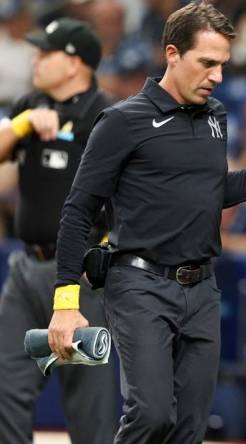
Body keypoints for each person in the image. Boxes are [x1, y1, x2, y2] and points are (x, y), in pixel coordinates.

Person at [47, 3, 246, 442]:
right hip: (140, 285)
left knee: (191, 427)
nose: (217, 77)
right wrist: (65, 300)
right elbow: (78, 210)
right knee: (152, 415)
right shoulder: (122, 121)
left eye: (223, 66)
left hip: (203, 289)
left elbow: (215, 192)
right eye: (207, 64)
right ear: (172, 54)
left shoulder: (216, 117)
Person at [0, 17, 117, 444]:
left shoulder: (106, 113)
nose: (36, 59)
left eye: (46, 53)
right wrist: (25, 122)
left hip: (80, 275)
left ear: (74, 64)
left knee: (90, 405)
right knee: (4, 387)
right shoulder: (29, 103)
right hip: (25, 267)